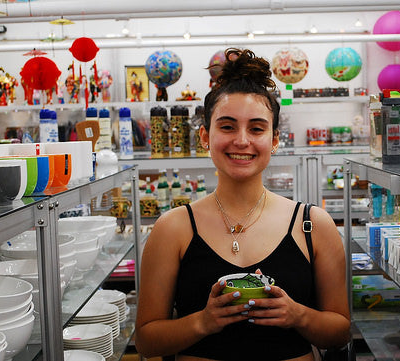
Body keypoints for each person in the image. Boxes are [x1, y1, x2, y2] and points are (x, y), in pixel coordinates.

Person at [135, 48, 350, 361]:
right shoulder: (173, 228)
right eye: (227, 126)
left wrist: (298, 315)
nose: (242, 140)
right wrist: (202, 322)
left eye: (257, 128)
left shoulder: (313, 224)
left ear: (275, 140)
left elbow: (340, 331)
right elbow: (146, 340)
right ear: (205, 137)